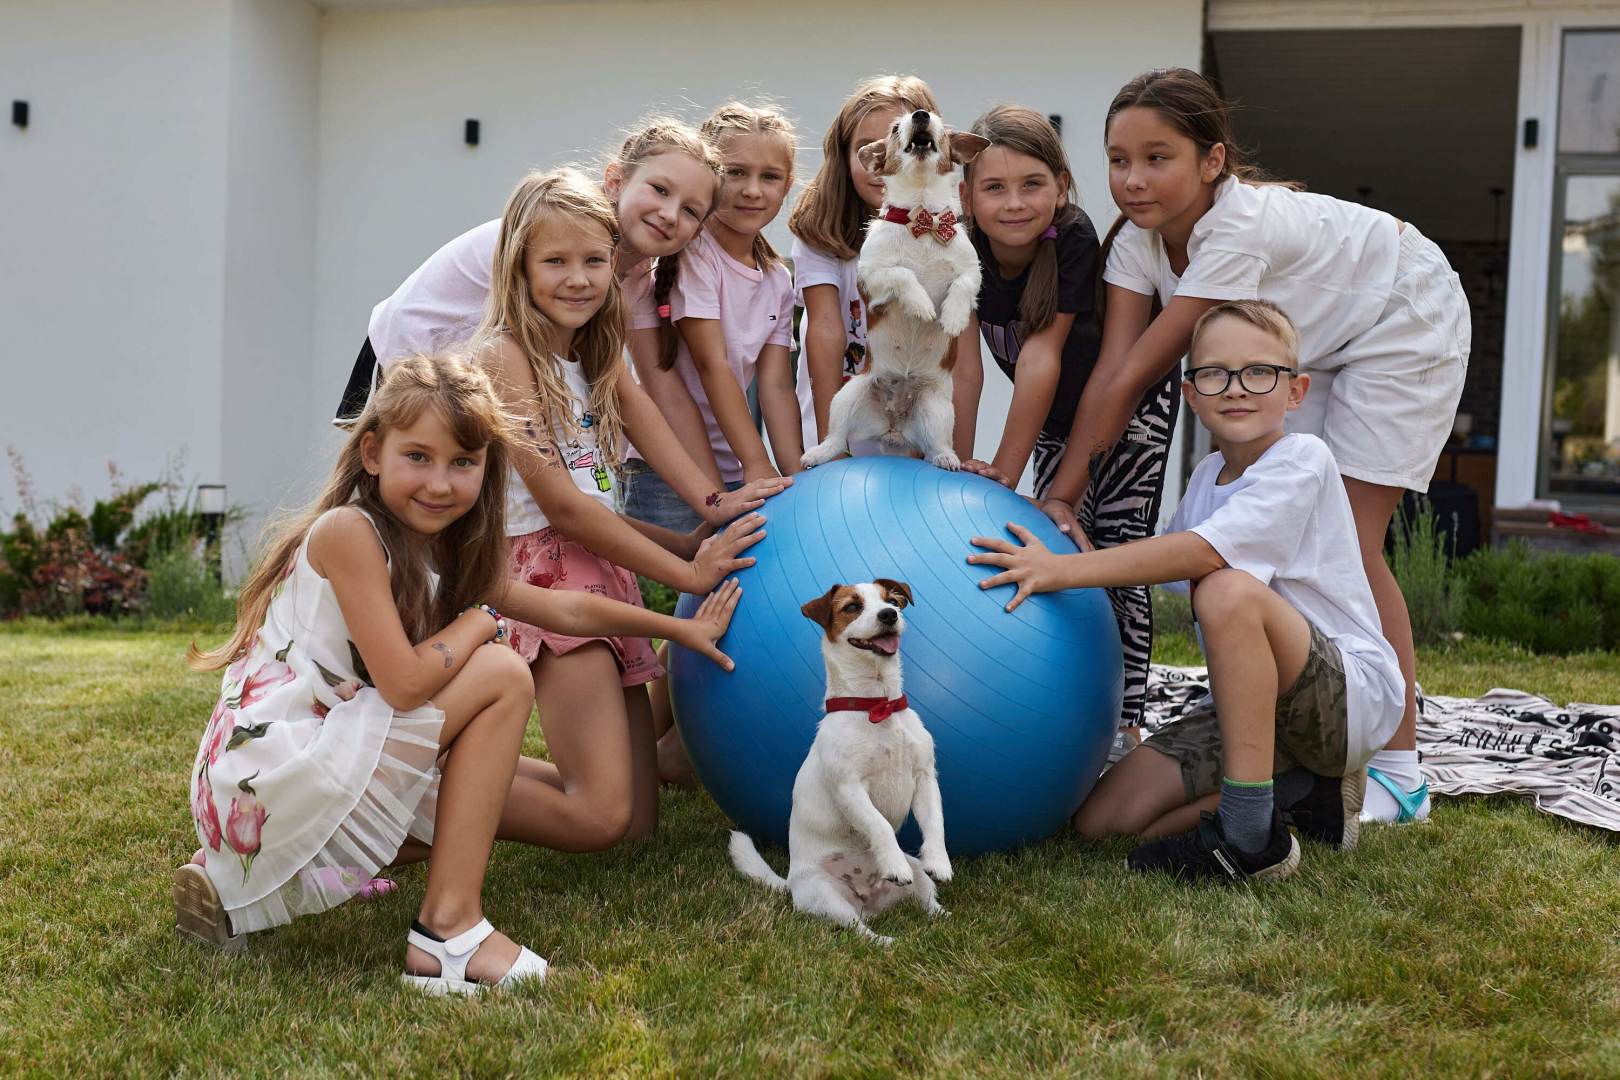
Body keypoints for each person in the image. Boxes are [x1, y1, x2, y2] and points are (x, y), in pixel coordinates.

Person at [175, 353, 743, 992]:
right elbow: (406, 684)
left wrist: (682, 628)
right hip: (279, 776)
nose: (440, 483)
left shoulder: (443, 547)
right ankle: (448, 933)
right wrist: (479, 624)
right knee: (500, 672)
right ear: (371, 454)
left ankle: (242, 878)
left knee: (594, 817)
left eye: (462, 463)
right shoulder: (349, 533)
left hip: (325, 759)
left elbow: (562, 606)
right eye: (417, 456)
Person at [1037, 69, 1468, 823]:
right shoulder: (1139, 245)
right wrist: (1061, 498)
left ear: (1213, 161)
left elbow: (1140, 373)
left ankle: (1400, 773)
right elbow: (1109, 372)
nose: (1132, 180)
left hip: (1402, 311)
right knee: (1268, 538)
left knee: (1354, 545)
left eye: (1156, 158)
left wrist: (1065, 539)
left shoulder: (1237, 230)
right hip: (1309, 343)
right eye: (1118, 159)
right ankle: (1282, 721)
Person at [968, 301, 1404, 882]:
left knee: (1225, 590)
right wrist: (1068, 540)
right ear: (1191, 394)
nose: (1236, 389)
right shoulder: (1206, 479)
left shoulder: (1302, 460)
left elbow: (1203, 556)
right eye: (1214, 374)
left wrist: (1058, 571)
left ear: (1295, 391)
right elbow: (1157, 563)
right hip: (1251, 711)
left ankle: (1251, 839)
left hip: (1346, 700)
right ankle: (1300, 791)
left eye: (1259, 372)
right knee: (1103, 821)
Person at [473, 168, 766, 851]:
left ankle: (470, 774)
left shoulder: (593, 355)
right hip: (551, 581)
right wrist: (689, 577)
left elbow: (644, 429)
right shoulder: (503, 357)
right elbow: (563, 513)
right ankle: (418, 792)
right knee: (599, 819)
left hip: (606, 571)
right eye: (555, 262)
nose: (577, 279)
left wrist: (712, 512)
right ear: (518, 267)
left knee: (632, 829)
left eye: (593, 262)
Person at [952, 103, 1171, 741]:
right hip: (1053, 420)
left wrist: (1002, 474)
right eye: (994, 187)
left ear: (1062, 185)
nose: (1014, 203)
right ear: (967, 195)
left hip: (1131, 411)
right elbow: (967, 368)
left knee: (1117, 549)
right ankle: (1066, 701)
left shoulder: (1071, 237)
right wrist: (958, 465)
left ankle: (1125, 722)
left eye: (1032, 185)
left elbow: (1041, 359)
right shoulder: (959, 245)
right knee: (1062, 540)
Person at [625, 101, 805, 537]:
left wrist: (795, 473)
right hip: (669, 468)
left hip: (733, 465)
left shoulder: (778, 277)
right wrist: (758, 462)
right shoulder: (695, 254)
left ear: (788, 186)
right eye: (735, 173)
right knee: (678, 593)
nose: (751, 190)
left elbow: (777, 385)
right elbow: (712, 365)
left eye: (770, 177)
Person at [786, 75, 975, 460]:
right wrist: (832, 443)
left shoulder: (952, 234)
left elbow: (963, 358)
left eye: (917, 142)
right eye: (869, 147)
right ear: (862, 156)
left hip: (923, 425)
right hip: (848, 419)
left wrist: (955, 451)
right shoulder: (818, 237)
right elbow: (824, 331)